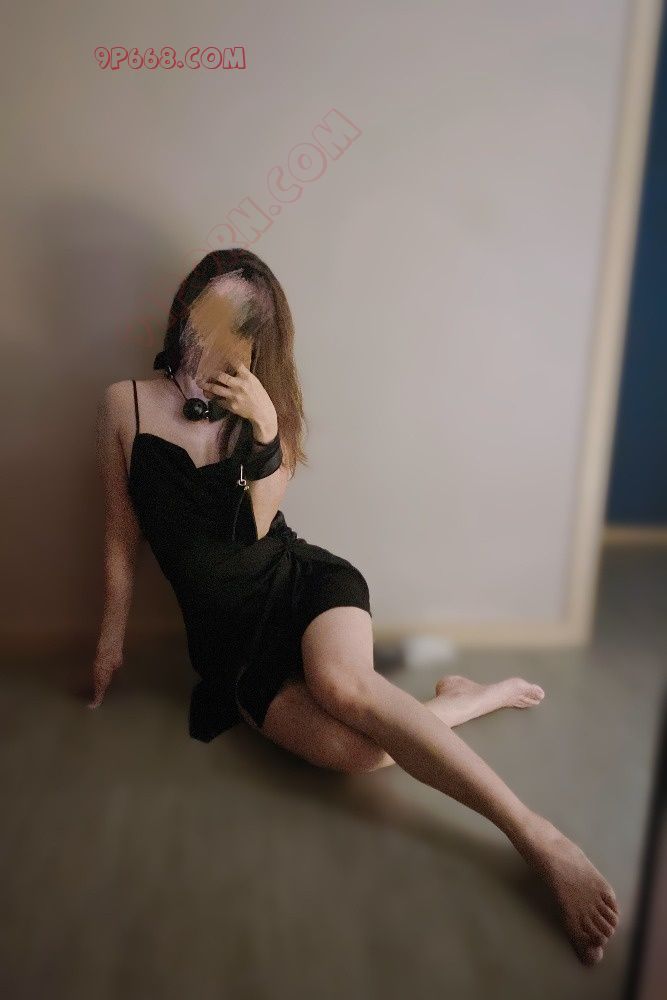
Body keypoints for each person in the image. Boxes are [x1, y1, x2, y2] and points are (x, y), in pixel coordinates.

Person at [89, 248, 619, 965]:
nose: (212, 332)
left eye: (236, 322)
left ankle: (538, 837)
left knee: (345, 687)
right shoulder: (122, 404)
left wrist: (265, 431)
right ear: (185, 307)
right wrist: (110, 640)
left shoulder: (267, 413)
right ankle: (466, 700)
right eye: (206, 310)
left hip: (302, 584)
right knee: (356, 752)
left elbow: (254, 529)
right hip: (231, 644)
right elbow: (121, 537)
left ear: (256, 340)